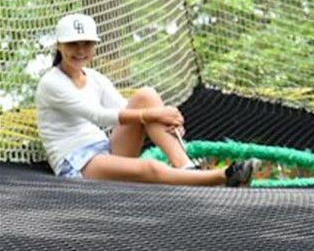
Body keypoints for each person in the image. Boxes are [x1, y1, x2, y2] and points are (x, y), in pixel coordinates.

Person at [35, 13, 255, 186]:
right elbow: (99, 116)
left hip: (105, 148)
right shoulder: (52, 83)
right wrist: (157, 114)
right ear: (59, 46)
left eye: (87, 44)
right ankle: (222, 177)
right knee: (149, 168)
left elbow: (125, 110)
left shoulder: (94, 78)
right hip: (76, 162)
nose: (81, 50)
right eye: (73, 44)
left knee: (146, 95)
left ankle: (186, 166)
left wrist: (165, 123)